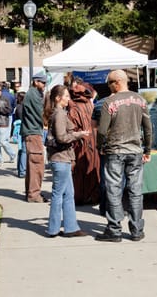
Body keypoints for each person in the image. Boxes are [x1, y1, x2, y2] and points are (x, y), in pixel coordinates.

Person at [95, 70, 152, 243]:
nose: (109, 87)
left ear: (117, 82)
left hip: (115, 151)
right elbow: (148, 128)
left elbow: (102, 130)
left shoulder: (110, 102)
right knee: (135, 191)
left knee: (114, 190)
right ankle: (136, 230)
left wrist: (100, 147)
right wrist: (147, 150)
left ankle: (114, 229)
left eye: (110, 83)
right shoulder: (141, 100)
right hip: (135, 151)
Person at [44, 84, 90, 238]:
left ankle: (70, 227)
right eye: (66, 96)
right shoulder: (60, 114)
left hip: (62, 158)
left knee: (68, 193)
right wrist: (79, 135)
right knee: (58, 194)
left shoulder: (59, 113)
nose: (68, 99)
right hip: (61, 159)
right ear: (58, 98)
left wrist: (78, 133)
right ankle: (53, 229)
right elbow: (61, 137)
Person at [68, 82, 100, 205]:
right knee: (92, 167)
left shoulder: (74, 107)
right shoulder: (89, 105)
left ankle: (81, 196)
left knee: (81, 169)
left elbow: (71, 127)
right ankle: (92, 195)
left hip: (81, 142)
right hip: (91, 140)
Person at [21, 72, 47, 203]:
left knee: (33, 165)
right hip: (33, 133)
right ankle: (34, 195)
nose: (44, 85)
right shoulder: (33, 95)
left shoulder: (33, 93)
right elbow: (41, 114)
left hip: (32, 132)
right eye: (42, 82)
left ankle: (31, 193)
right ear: (36, 81)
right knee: (37, 165)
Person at [13, 91, 26, 178]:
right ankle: (22, 170)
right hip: (22, 129)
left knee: (21, 150)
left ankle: (20, 168)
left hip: (18, 129)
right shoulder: (22, 108)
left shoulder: (17, 107)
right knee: (23, 150)